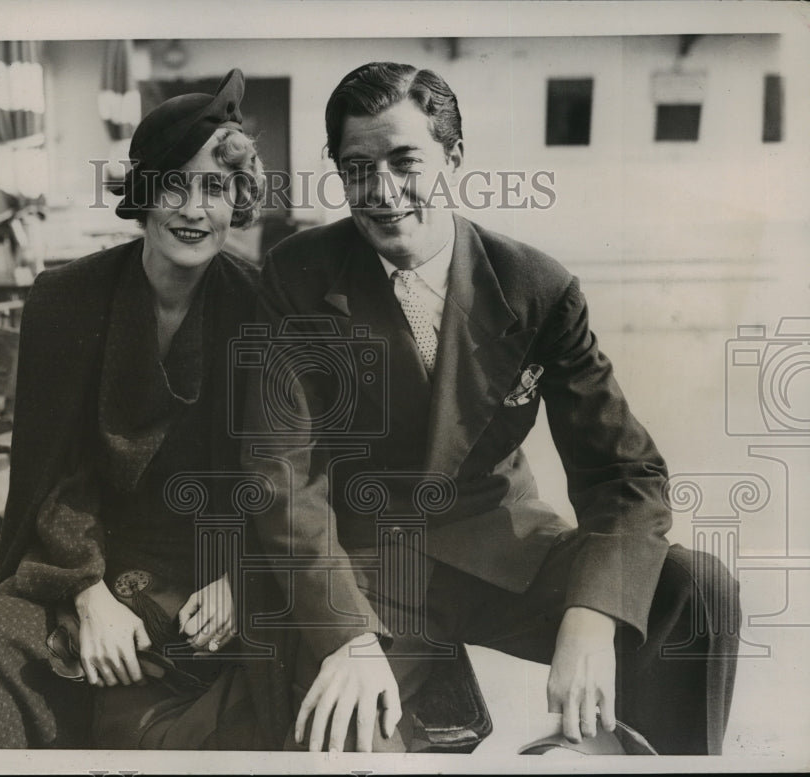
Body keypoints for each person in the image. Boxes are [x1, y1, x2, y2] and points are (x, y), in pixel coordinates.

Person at [242, 62, 739, 755]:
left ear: (454, 158)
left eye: (405, 161)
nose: (381, 193)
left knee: (694, 589)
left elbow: (626, 474)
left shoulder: (535, 286)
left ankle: (643, 759)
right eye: (357, 168)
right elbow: (281, 476)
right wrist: (345, 637)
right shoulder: (297, 275)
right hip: (365, 575)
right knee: (344, 737)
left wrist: (594, 613)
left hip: (504, 551)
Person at [0, 69, 291, 749]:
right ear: (141, 193)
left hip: (216, 572)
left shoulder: (261, 309)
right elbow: (50, 469)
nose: (193, 210)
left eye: (215, 188)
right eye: (172, 183)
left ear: (239, 203)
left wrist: (242, 575)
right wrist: (88, 593)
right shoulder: (66, 300)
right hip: (79, 555)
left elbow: (281, 476)